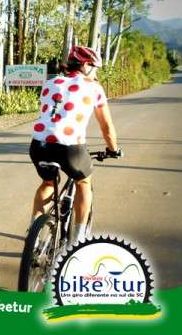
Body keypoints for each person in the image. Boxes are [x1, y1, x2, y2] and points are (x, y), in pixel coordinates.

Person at [29, 45, 122, 243]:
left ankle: (33, 235)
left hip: (38, 145)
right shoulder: (94, 88)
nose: (96, 73)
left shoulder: (50, 83)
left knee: (48, 183)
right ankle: (78, 239)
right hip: (70, 149)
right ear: (86, 65)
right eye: (95, 68)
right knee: (83, 182)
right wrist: (113, 149)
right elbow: (106, 126)